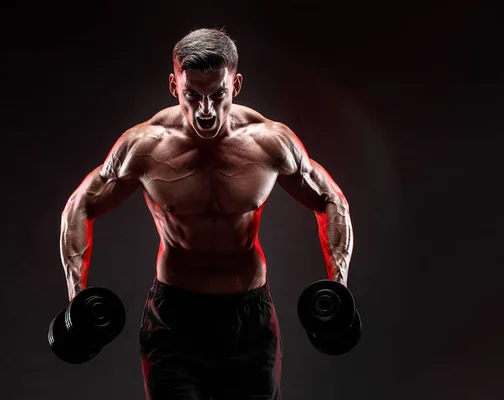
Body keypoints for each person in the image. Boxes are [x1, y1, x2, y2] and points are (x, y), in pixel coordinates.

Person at [59, 27, 354, 400]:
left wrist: (338, 286)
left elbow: (331, 198)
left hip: (249, 319)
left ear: (237, 84)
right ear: (173, 85)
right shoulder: (144, 146)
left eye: (218, 95)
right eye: (191, 96)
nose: (205, 111)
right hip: (174, 319)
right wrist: (76, 298)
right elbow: (80, 204)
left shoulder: (269, 142)